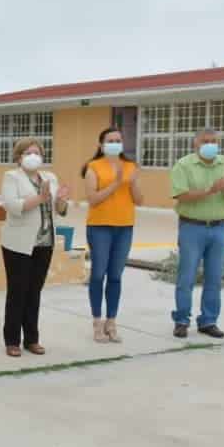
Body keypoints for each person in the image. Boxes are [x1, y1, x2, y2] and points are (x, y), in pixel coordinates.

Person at [170, 128, 224, 339]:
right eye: (205, 141)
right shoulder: (184, 165)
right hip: (191, 227)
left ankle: (209, 321)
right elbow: (181, 196)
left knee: (214, 278)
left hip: (219, 228)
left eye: (213, 141)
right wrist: (211, 190)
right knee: (187, 277)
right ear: (195, 144)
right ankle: (182, 320)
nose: (210, 145)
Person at [0, 138, 70, 358]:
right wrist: (40, 197)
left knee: (34, 292)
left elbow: (59, 210)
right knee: (17, 292)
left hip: (44, 242)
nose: (33, 156)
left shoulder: (50, 177)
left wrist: (60, 200)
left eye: (37, 152)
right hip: (19, 244)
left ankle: (32, 339)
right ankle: (12, 340)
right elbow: (13, 206)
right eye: (28, 153)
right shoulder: (12, 177)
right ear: (19, 157)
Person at [82, 127, 144, 343]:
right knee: (98, 274)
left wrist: (132, 182)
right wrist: (116, 184)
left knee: (116, 276)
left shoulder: (130, 167)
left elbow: (139, 200)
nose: (115, 143)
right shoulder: (93, 167)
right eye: (110, 140)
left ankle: (111, 321)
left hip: (124, 226)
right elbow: (93, 199)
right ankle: (97, 322)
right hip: (100, 226)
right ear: (101, 145)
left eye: (118, 140)